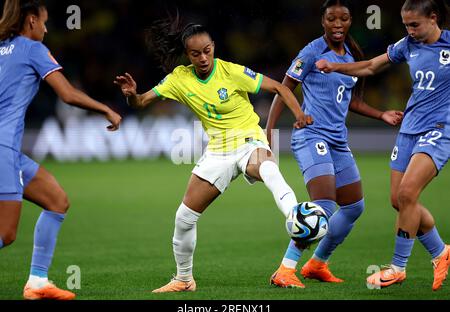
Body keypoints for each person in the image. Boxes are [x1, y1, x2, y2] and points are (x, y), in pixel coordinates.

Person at [114, 16, 311, 293]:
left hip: (248, 139)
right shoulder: (179, 79)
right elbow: (142, 101)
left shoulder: (230, 71)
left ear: (213, 47)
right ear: (188, 55)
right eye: (196, 53)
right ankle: (184, 279)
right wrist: (130, 95)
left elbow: (279, 87)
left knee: (266, 167)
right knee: (184, 218)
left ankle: (295, 216)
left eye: (207, 50)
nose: (203, 57)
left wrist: (299, 114)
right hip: (218, 151)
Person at [266, 0, 404, 289]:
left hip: (338, 141)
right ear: (323, 22)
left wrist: (381, 114)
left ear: (351, 21)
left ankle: (317, 264)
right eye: (331, 19)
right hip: (311, 136)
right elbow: (283, 88)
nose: (337, 24)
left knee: (354, 206)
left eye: (343, 19)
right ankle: (285, 269)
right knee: (324, 205)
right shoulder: (312, 51)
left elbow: (349, 98)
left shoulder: (351, 55)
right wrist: (268, 129)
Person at [316, 0, 449, 291]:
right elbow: (371, 66)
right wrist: (335, 67)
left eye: (414, 24)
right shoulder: (407, 45)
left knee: (407, 192)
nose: (410, 31)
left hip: (440, 130)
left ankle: (397, 268)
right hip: (409, 129)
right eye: (405, 25)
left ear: (433, 18)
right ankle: (441, 252)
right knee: (398, 201)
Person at [0, 0, 122, 300]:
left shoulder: (2, 47)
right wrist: (105, 108)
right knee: (6, 233)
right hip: (3, 147)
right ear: (30, 21)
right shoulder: (34, 50)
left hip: (10, 153)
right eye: (44, 21)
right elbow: (67, 94)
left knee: (56, 200)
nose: (45, 27)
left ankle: (37, 282)